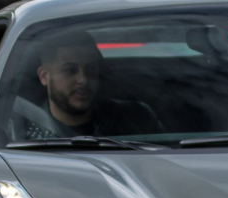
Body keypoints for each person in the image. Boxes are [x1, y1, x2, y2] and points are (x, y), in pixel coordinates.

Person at [9, 38, 158, 139]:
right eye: (70, 71)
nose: (83, 80)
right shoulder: (20, 132)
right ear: (44, 76)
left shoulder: (134, 119)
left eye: (91, 70)